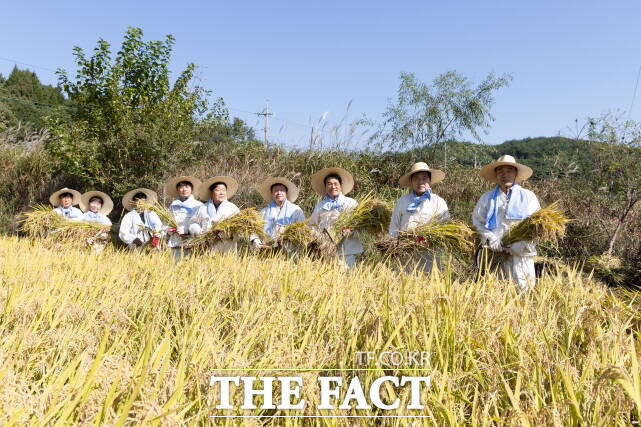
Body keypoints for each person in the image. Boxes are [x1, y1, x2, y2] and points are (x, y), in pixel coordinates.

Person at [472, 155, 541, 291]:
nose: (505, 175)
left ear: (515, 173)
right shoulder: (487, 198)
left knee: (522, 293)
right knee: (496, 293)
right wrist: (491, 239)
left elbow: (536, 226)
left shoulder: (528, 196)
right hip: (495, 255)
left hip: (521, 255)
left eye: (509, 171)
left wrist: (519, 245)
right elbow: (477, 222)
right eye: (500, 172)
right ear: (496, 175)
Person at [389, 162, 449, 272]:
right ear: (411, 182)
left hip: (430, 255)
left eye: (424, 178)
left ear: (429, 181)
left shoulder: (438, 202)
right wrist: (394, 247)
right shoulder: (402, 201)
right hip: (405, 254)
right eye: (416, 178)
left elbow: (444, 228)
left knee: (428, 285)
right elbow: (394, 226)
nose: (420, 182)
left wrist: (429, 239)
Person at [309, 167, 363, 268]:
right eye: (329, 184)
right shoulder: (320, 205)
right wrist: (320, 238)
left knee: (348, 278)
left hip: (348, 249)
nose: (333, 186)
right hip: (326, 250)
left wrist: (350, 231)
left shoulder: (351, 203)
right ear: (325, 187)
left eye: (335, 184)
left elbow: (360, 224)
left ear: (340, 186)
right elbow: (312, 225)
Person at [250, 177, 305, 250]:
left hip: (289, 250)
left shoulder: (296, 210)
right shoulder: (264, 212)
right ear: (272, 194)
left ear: (286, 193)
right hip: (266, 249)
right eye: (275, 190)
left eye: (282, 190)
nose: (279, 193)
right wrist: (256, 240)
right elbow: (255, 230)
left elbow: (303, 229)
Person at [189, 176, 240, 253]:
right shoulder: (203, 208)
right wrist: (199, 231)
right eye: (217, 190)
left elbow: (240, 228)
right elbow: (193, 223)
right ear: (211, 192)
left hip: (227, 248)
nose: (221, 193)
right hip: (206, 247)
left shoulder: (232, 208)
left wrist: (229, 232)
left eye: (223, 190)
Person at [165, 176, 203, 260]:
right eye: (181, 187)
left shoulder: (198, 205)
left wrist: (186, 231)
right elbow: (166, 223)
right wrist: (170, 230)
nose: (184, 189)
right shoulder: (173, 206)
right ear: (177, 190)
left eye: (187, 187)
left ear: (191, 189)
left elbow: (201, 224)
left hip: (192, 244)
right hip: (176, 243)